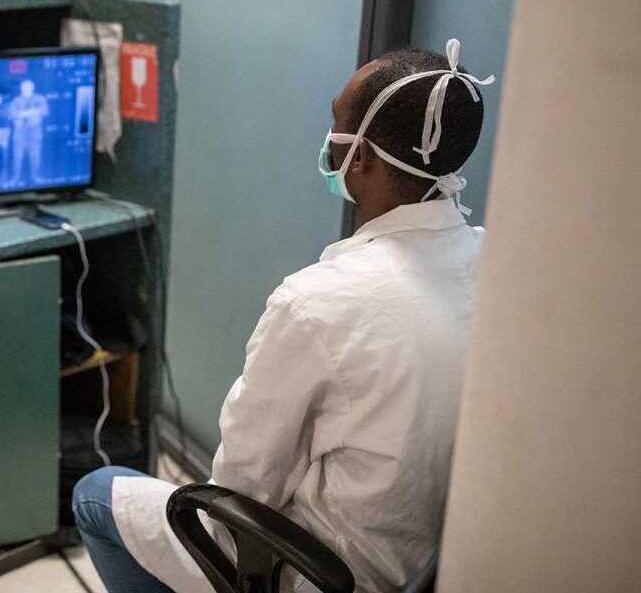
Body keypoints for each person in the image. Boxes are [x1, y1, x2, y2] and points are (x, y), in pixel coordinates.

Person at [74, 40, 494, 593]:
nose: (329, 140)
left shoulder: (317, 303)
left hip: (320, 576)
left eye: (336, 123)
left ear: (361, 157)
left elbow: (237, 496)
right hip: (425, 565)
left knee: (97, 492)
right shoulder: (494, 265)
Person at [6, 80, 49, 184]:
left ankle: (36, 177)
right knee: (17, 156)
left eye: (28, 87)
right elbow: (11, 114)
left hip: (34, 131)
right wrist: (32, 112)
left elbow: (45, 111)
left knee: (35, 155)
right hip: (20, 132)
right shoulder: (16, 100)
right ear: (21, 89)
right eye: (23, 88)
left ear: (32, 88)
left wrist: (22, 114)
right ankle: (15, 179)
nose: (25, 90)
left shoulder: (40, 98)